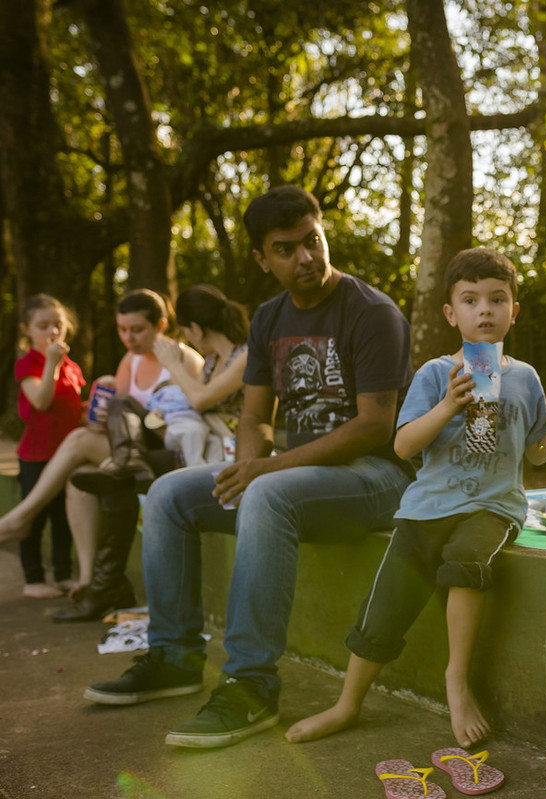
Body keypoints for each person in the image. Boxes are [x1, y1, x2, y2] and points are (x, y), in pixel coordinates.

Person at [84, 185, 416, 752]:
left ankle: (252, 684)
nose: (306, 257)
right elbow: (256, 415)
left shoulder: (371, 312)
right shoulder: (269, 319)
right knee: (167, 494)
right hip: (303, 478)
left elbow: (374, 427)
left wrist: (267, 470)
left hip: (377, 478)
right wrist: (244, 468)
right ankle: (175, 656)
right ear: (264, 260)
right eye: (286, 249)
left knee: (269, 492)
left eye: (312, 240)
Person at [285, 246, 546, 748]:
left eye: (497, 299)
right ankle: (347, 704)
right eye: (471, 299)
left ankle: (456, 680)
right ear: (450, 313)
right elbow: (403, 443)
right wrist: (446, 406)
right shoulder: (436, 374)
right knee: (385, 605)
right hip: (425, 508)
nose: (485, 309)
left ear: (513, 311)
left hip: (491, 506)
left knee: (465, 560)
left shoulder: (523, 378)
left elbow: (541, 452)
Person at [55, 284, 248, 623]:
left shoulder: (242, 356)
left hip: (223, 457)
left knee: (119, 477)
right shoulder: (214, 361)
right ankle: (105, 586)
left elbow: (201, 401)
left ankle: (105, 589)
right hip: (191, 447)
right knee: (119, 448)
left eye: (188, 332)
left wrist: (172, 363)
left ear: (196, 330)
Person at [0, 289, 196, 600]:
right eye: (122, 329)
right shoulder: (129, 361)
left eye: (137, 329)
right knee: (79, 482)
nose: (128, 337)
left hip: (172, 452)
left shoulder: (184, 358)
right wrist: (101, 414)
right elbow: (116, 421)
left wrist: (136, 411)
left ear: (160, 324)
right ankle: (90, 581)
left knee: (78, 441)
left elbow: (194, 421)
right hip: (129, 452)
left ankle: (21, 517)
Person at [10, 294, 87, 599]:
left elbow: (68, 405)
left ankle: (63, 575)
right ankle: (33, 579)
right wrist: (51, 364)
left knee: (63, 518)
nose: (53, 332)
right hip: (37, 455)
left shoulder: (71, 365)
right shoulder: (27, 364)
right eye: (43, 326)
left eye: (58, 324)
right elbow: (40, 401)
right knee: (34, 517)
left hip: (66, 455)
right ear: (26, 329)